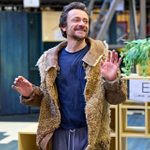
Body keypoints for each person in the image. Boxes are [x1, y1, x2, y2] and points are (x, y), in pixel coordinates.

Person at [12, 2, 127, 150]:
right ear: (63, 27)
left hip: (90, 136)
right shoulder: (49, 59)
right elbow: (47, 100)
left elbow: (118, 99)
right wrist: (30, 93)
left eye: (85, 21)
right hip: (58, 136)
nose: (82, 24)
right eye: (76, 20)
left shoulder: (102, 57)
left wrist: (111, 80)